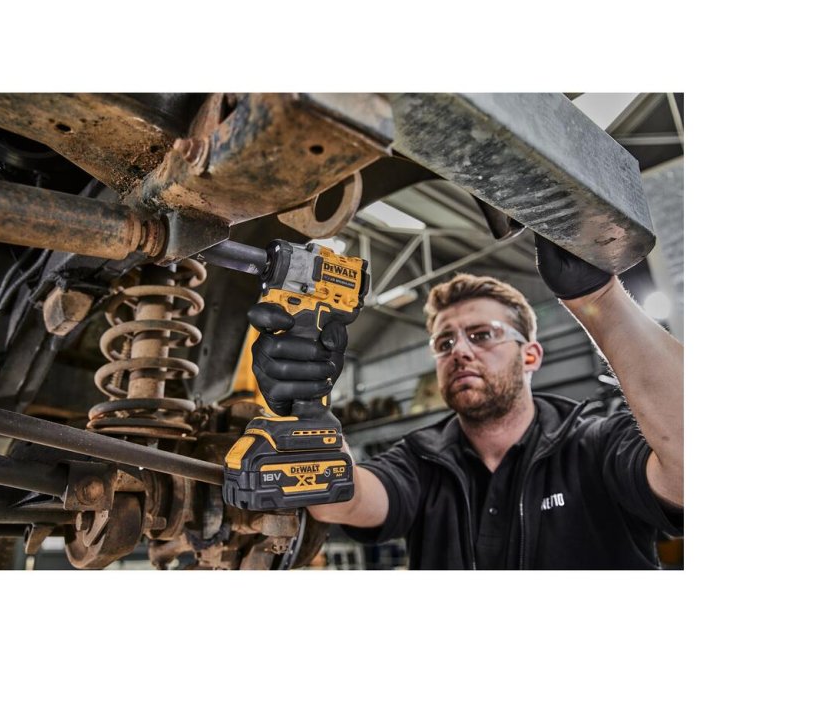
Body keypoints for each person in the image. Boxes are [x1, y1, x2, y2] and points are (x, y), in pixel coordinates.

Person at [247, 236, 683, 569]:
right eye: (445, 342)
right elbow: (340, 500)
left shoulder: (595, 441)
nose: (460, 351)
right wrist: (305, 407)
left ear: (530, 356)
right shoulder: (421, 458)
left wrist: (599, 299)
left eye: (482, 335)